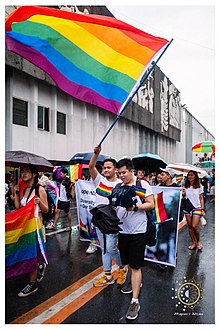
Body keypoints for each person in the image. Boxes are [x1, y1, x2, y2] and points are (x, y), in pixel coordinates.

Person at [115, 158, 154, 320]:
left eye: (123, 172)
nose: (121, 175)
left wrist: (135, 207)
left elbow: (151, 204)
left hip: (139, 231)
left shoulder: (142, 185)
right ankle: (134, 281)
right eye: (119, 173)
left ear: (131, 170)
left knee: (136, 266)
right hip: (122, 231)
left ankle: (135, 300)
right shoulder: (118, 186)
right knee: (129, 263)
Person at [89, 145, 127, 287]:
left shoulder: (120, 184)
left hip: (112, 222)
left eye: (109, 167)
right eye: (104, 168)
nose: (106, 170)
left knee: (111, 248)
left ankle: (122, 268)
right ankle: (108, 276)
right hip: (99, 220)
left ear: (115, 169)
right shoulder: (99, 180)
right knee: (104, 248)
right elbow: (91, 165)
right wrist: (96, 154)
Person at [12, 164, 48, 297]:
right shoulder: (24, 189)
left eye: (27, 172)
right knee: (26, 253)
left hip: (36, 227)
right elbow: (18, 208)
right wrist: (16, 193)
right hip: (24, 227)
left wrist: (38, 202)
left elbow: (46, 210)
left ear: (34, 174)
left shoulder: (40, 189)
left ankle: (32, 284)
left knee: (33, 255)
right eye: (22, 172)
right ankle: (39, 267)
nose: (24, 174)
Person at [182, 170, 205, 251]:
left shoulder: (200, 186)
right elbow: (184, 198)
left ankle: (199, 241)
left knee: (194, 226)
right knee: (189, 226)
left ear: (195, 176)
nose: (190, 177)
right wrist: (183, 194)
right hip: (187, 208)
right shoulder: (185, 186)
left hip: (197, 208)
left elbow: (201, 198)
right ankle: (193, 242)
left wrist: (202, 209)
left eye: (192, 175)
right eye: (189, 175)